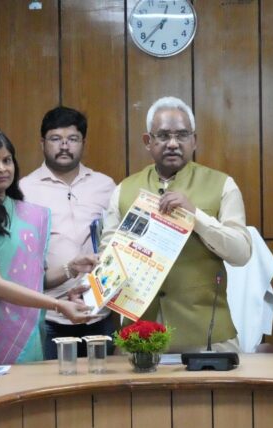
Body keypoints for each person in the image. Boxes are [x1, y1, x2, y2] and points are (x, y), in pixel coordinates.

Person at [100, 97, 252, 353]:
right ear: (148, 141)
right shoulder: (123, 190)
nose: (172, 143)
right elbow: (108, 257)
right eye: (163, 136)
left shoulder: (223, 185)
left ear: (194, 140)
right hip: (140, 336)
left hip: (207, 336)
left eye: (182, 135)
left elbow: (241, 253)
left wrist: (196, 216)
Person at [0, 127, 98, 366]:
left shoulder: (27, 214)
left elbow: (34, 280)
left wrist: (71, 268)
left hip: (28, 336)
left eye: (7, 160)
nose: (1, 168)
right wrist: (58, 305)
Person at [20, 106, 117, 359]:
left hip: (99, 313)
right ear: (42, 143)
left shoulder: (105, 186)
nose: (64, 146)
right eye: (55, 139)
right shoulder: (24, 190)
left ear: (84, 142)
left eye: (72, 139)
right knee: (53, 382)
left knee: (104, 381)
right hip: (51, 315)